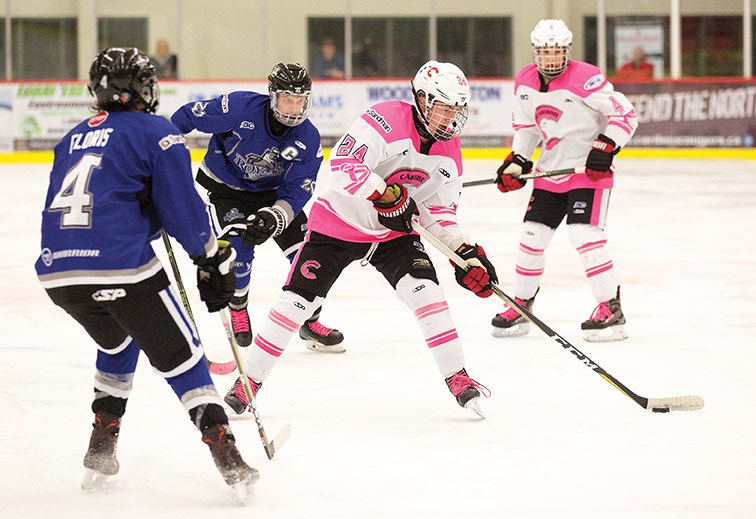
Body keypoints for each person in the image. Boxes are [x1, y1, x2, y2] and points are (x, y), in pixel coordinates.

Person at [34, 47, 257, 491]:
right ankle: (224, 448)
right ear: (144, 89)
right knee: (183, 356)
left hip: (59, 274)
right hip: (122, 267)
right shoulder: (158, 131)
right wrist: (212, 258)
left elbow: (100, 204)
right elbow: (185, 215)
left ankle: (101, 444)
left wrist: (146, 216)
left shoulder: (70, 138)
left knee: (119, 342)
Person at [222, 60, 497, 417]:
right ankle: (249, 383)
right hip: (337, 225)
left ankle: (458, 377)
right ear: (422, 99)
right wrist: (385, 195)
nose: (450, 119)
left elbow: (439, 211)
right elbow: (343, 164)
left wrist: (466, 252)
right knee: (295, 304)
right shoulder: (384, 119)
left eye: (456, 110)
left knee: (429, 297)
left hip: (392, 236)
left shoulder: (450, 151)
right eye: (443, 108)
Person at [171, 62, 345, 354]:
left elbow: (299, 188)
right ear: (273, 96)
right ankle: (239, 307)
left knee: (311, 255)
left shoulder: (308, 137)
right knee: (238, 251)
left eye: (300, 100)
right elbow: (187, 116)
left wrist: (274, 216)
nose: (294, 108)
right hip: (228, 191)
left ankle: (310, 320)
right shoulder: (239, 108)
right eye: (288, 99)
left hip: (272, 195)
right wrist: (159, 150)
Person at [491, 19, 638, 342]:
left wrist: (606, 147)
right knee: (531, 238)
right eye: (545, 52)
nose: (551, 59)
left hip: (587, 174)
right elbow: (527, 129)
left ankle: (610, 309)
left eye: (557, 51)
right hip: (549, 173)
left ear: (567, 51)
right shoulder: (525, 82)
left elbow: (625, 115)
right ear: (535, 52)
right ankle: (522, 305)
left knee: (584, 235)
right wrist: (517, 161)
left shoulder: (586, 78)